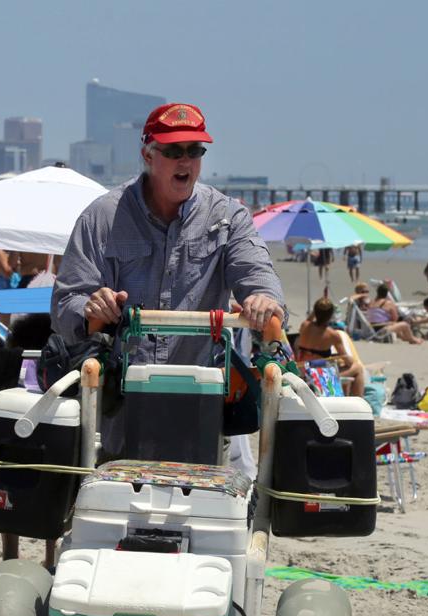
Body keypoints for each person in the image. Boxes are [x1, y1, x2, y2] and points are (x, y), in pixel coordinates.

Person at [51, 102, 285, 457]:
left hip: (202, 402)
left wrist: (263, 299)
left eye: (195, 151)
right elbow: (64, 308)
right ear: (147, 154)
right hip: (121, 405)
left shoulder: (227, 217)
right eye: (173, 151)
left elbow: (257, 275)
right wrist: (90, 307)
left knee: (200, 499)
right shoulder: (102, 217)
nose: (185, 161)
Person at [293, 298, 364, 396]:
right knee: (358, 368)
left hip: (302, 370)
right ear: (330, 315)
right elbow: (347, 359)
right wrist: (351, 361)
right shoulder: (332, 334)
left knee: (340, 367)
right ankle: (358, 403)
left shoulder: (305, 326)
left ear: (315, 312)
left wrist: (316, 311)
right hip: (319, 374)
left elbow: (308, 320)